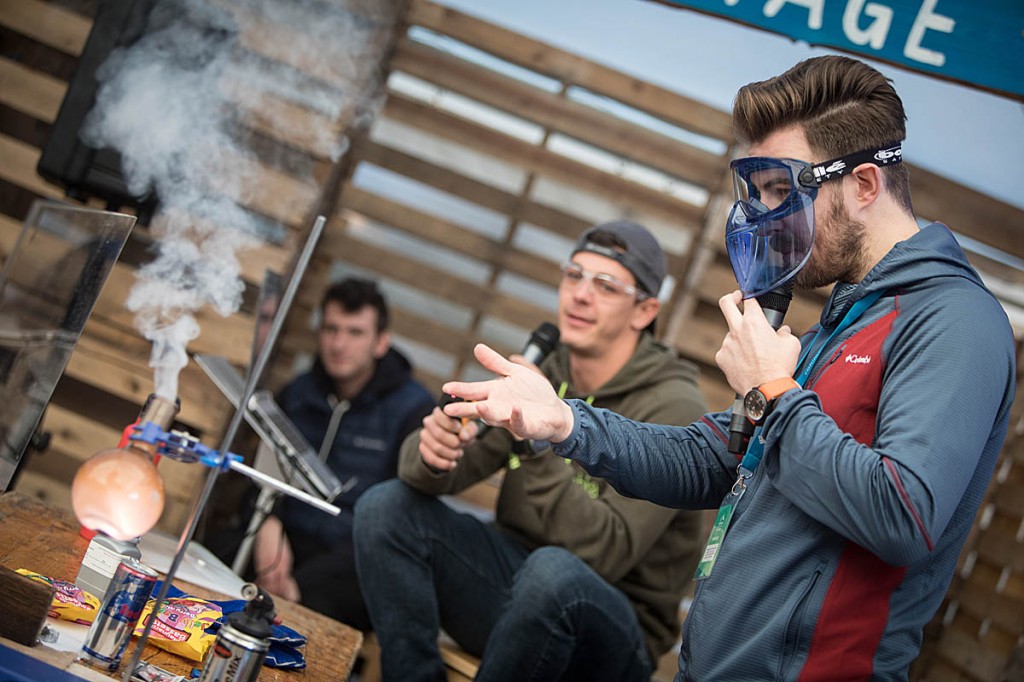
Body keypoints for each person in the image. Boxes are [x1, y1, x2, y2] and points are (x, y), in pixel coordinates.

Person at [439, 56, 1017, 681]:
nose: (768, 218)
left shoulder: (955, 320)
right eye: (758, 193)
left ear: (864, 186)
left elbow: (902, 514)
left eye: (783, 191)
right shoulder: (844, 319)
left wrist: (773, 390)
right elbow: (712, 460)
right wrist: (564, 424)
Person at [353, 221, 707, 681]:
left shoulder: (671, 404)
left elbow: (603, 553)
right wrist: (433, 452)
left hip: (607, 637)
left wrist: (540, 442)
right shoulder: (548, 369)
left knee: (552, 574)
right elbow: (426, 477)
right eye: (573, 275)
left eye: (605, 285)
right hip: (514, 591)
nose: (580, 294)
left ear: (644, 311)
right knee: (384, 509)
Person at [252, 277, 433, 631]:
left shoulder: (412, 409)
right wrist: (267, 528)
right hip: (284, 541)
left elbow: (397, 520)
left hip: (351, 560)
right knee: (217, 552)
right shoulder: (298, 393)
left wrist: (300, 584)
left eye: (354, 332)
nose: (339, 344)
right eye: (331, 329)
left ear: (380, 342)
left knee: (318, 611)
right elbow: (259, 478)